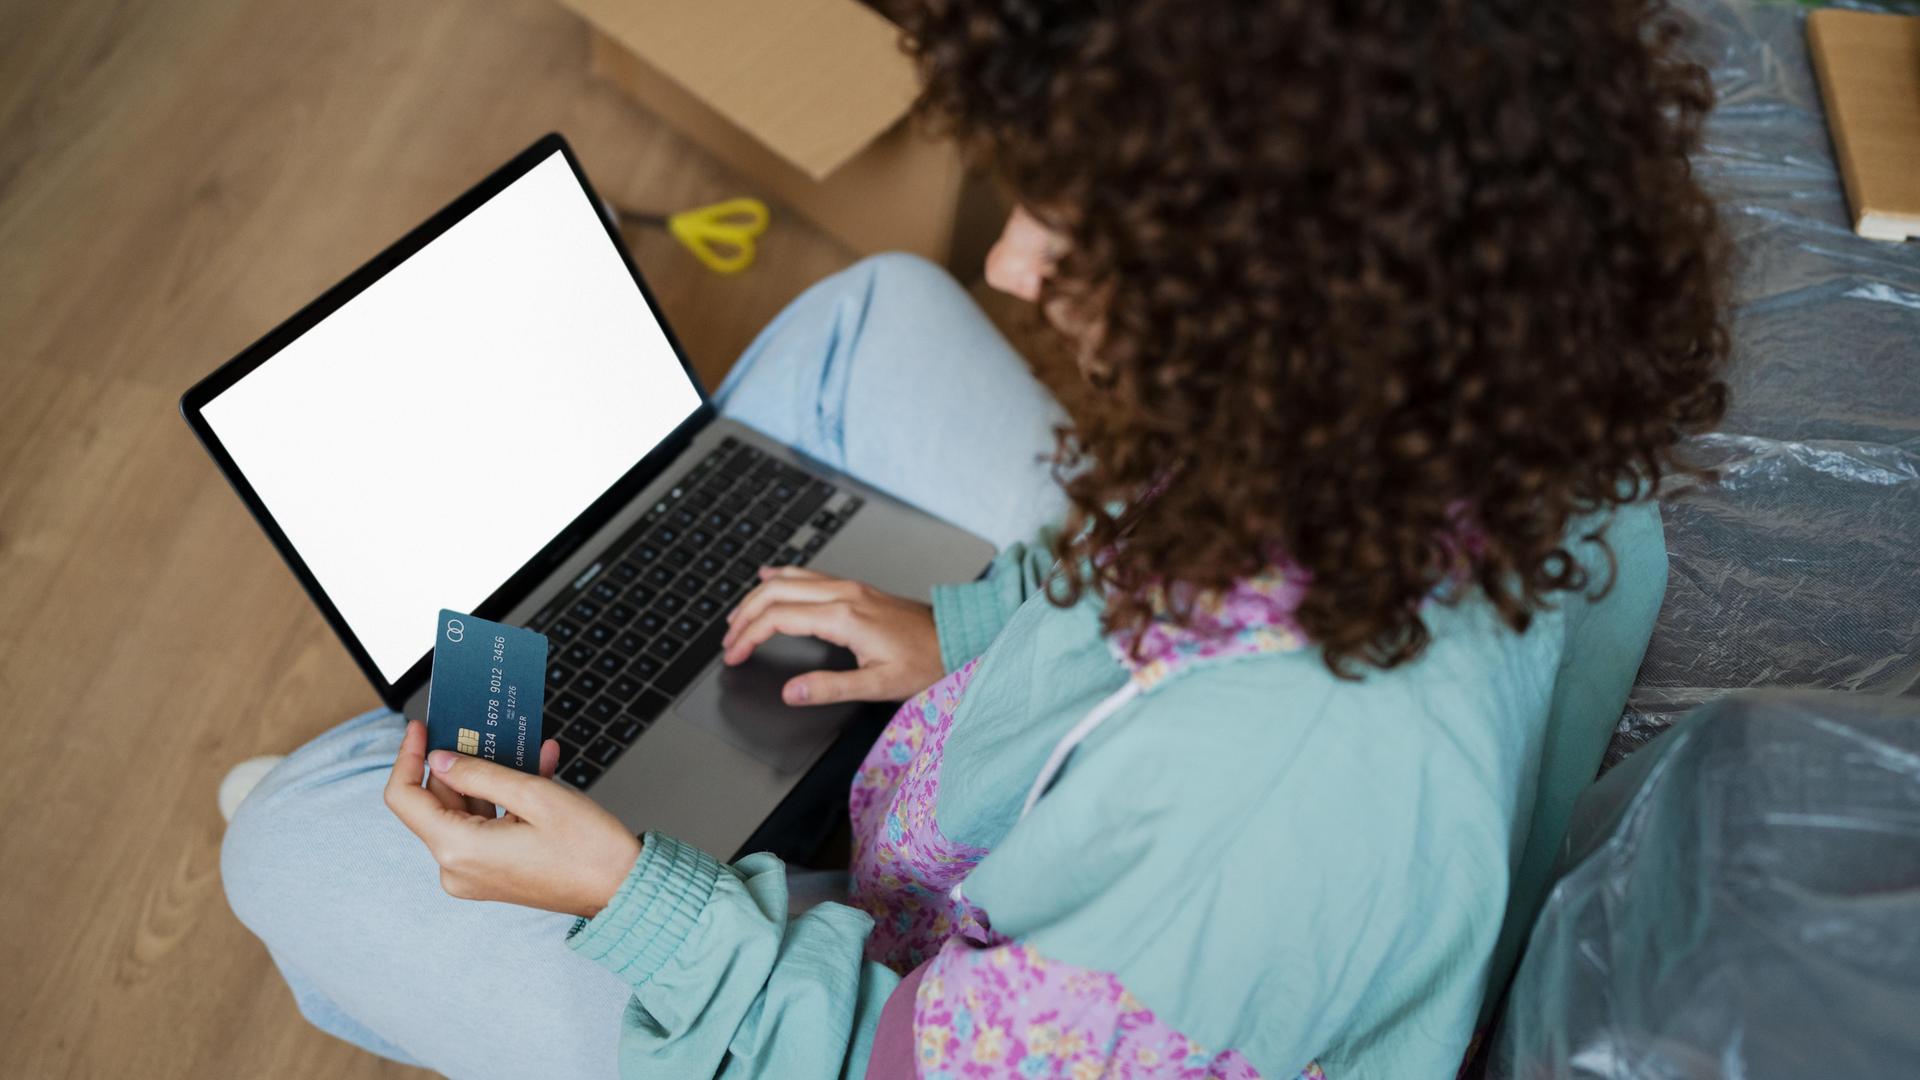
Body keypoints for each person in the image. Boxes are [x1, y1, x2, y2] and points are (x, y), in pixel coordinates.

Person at [219, 1, 1729, 1077]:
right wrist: (971, 627)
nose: (1012, 260)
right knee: (875, 308)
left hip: (908, 995)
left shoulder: (1280, 805)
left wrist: (634, 900)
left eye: (1082, 230)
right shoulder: (1448, 393)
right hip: (1080, 764)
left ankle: (419, 793)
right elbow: (1157, 559)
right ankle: (641, 618)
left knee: (294, 840)